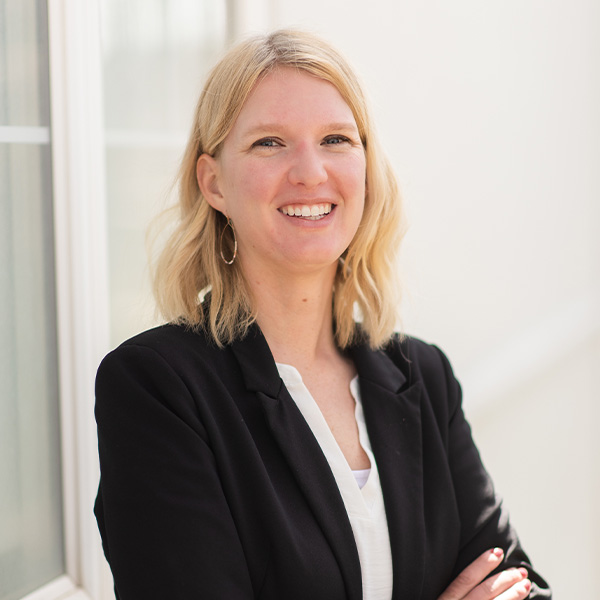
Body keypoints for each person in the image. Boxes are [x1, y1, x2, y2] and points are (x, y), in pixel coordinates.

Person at [94, 29, 552, 600]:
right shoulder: (158, 389)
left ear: (365, 166)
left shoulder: (423, 376)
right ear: (213, 182)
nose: (311, 173)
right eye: (269, 143)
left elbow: (519, 586)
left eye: (336, 139)